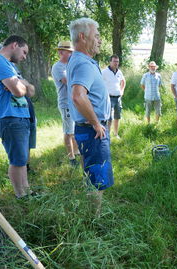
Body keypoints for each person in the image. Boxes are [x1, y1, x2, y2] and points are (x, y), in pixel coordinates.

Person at [67, 18, 113, 215]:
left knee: (91, 172)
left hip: (85, 128)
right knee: (98, 176)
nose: (100, 40)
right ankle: (95, 220)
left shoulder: (80, 61)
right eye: (97, 36)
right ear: (82, 37)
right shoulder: (83, 63)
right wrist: (96, 123)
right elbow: (78, 96)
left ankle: (92, 214)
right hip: (92, 129)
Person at [0, 35, 36, 198]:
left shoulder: (10, 66)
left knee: (22, 159)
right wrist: (21, 86)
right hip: (10, 117)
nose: (24, 57)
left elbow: (31, 90)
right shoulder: (0, 61)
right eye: (24, 52)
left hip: (21, 115)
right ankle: (20, 195)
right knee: (17, 159)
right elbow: (19, 91)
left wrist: (23, 84)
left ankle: (27, 190)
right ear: (15, 45)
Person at [52, 41, 79, 167]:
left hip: (74, 102)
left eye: (72, 52)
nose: (71, 54)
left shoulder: (70, 65)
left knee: (75, 129)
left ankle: (77, 152)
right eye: (69, 52)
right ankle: (71, 158)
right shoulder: (58, 67)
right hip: (65, 103)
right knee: (69, 131)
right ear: (61, 52)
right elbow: (68, 81)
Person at [102, 55, 126, 139]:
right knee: (109, 118)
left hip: (118, 98)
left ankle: (116, 134)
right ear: (110, 62)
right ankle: (107, 135)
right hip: (109, 97)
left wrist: (122, 90)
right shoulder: (104, 72)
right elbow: (99, 83)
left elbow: (123, 81)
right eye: (114, 61)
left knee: (117, 116)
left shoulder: (119, 72)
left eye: (117, 61)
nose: (116, 63)